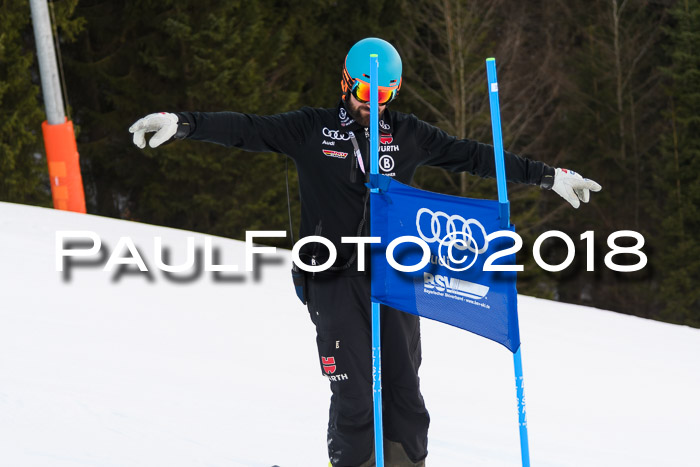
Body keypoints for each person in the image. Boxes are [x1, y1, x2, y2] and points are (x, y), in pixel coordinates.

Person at [129, 37, 601, 467]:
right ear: (345, 84)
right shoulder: (311, 129)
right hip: (333, 278)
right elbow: (247, 129)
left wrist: (549, 176)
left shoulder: (408, 134)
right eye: (364, 94)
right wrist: (183, 123)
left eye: (385, 97)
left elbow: (475, 156)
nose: (373, 107)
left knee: (404, 396)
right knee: (356, 398)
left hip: (395, 276)